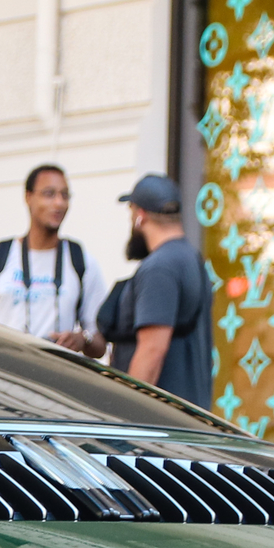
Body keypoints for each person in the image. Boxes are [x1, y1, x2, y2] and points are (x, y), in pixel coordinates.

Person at [0, 164, 106, 356]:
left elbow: (100, 345)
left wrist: (82, 339)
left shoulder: (82, 261)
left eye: (65, 195)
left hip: (54, 379)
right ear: (28, 197)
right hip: (1, 377)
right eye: (49, 194)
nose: (59, 203)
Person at [110, 173, 212, 408]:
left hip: (160, 426)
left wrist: (127, 417)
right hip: (188, 418)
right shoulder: (191, 258)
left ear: (140, 216)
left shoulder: (159, 267)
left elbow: (152, 350)